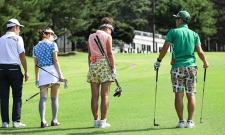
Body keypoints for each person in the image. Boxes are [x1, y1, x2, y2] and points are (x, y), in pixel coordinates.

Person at [154, 11, 209, 128]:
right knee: (191, 94)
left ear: (180, 20)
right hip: (191, 67)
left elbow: (165, 48)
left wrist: (158, 60)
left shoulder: (173, 32)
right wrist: (205, 62)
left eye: (176, 19)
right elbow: (199, 51)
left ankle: (181, 121)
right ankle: (190, 122)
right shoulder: (194, 34)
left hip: (177, 67)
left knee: (179, 95)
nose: (175, 21)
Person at [87, 17, 116, 128]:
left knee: (94, 95)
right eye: (111, 31)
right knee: (105, 95)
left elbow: (89, 55)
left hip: (93, 65)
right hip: (104, 65)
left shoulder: (90, 36)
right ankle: (103, 122)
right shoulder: (107, 36)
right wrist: (113, 69)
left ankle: (96, 121)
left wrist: (90, 68)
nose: (111, 33)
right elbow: (110, 53)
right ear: (107, 28)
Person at [33, 27, 64, 128]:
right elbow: (55, 61)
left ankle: (42, 121)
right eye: (52, 35)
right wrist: (60, 75)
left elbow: (36, 65)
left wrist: (37, 79)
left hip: (43, 73)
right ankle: (54, 120)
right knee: (54, 98)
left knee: (43, 98)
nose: (52, 37)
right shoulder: (53, 45)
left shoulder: (35, 47)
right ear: (48, 34)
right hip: (53, 72)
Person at [0, 18, 29, 128]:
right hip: (14, 69)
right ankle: (16, 122)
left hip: (1, 69)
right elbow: (22, 55)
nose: (19, 30)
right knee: (17, 96)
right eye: (19, 28)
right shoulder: (18, 38)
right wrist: (26, 71)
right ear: (14, 27)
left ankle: (5, 122)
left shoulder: (1, 39)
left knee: (3, 97)